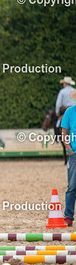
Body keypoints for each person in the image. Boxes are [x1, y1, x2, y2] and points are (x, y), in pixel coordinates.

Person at [61, 90, 76, 227]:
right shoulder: (69, 112)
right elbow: (64, 132)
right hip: (74, 154)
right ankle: (68, 216)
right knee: (71, 186)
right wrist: (69, 149)